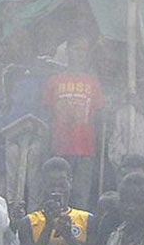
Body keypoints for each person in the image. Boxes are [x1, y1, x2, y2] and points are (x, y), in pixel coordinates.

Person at [45, 41, 107, 206]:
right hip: (60, 146)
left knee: (80, 195)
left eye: (84, 50)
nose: (80, 53)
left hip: (85, 147)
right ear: (68, 52)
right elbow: (48, 113)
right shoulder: (54, 81)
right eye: (77, 48)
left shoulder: (92, 82)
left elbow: (98, 113)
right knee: (57, 192)